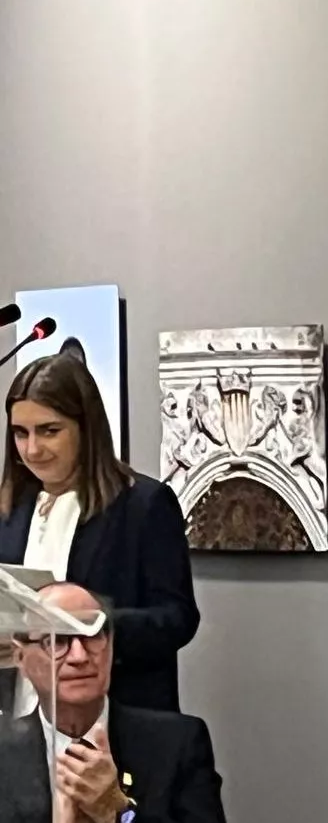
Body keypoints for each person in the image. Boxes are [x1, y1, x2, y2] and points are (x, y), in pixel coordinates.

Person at [0, 351, 200, 713]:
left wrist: (86, 626)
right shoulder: (9, 509)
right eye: (20, 433)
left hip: (118, 717)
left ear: (86, 429)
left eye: (49, 431)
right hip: (20, 722)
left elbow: (177, 619)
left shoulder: (143, 505)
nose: (32, 449)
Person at [0, 582, 226, 823]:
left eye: (92, 635)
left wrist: (119, 813)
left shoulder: (178, 742)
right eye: (57, 641)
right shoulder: (4, 751)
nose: (79, 656)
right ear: (21, 657)